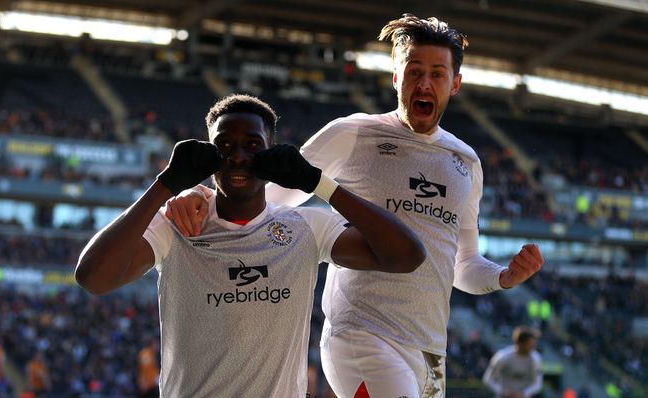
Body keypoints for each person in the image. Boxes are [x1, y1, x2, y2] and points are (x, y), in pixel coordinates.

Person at [166, 14, 545, 397]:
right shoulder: (354, 133)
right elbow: (265, 194)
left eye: (437, 74)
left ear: (455, 83)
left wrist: (502, 277)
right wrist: (200, 196)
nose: (424, 83)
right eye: (414, 72)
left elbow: (461, 266)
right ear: (396, 77)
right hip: (361, 335)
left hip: (429, 350)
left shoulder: (467, 163)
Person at [74, 94, 426, 397]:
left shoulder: (306, 227)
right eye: (224, 145)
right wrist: (165, 184)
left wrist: (317, 182)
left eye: (252, 145)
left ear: (270, 153)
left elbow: (407, 256)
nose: (238, 155)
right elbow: (93, 277)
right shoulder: (179, 224)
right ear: (208, 155)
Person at [483, 326, 543, 398]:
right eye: (530, 344)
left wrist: (524, 393)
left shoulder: (535, 359)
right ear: (520, 343)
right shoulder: (502, 357)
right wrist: (504, 392)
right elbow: (488, 379)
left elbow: (538, 383)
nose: (532, 347)